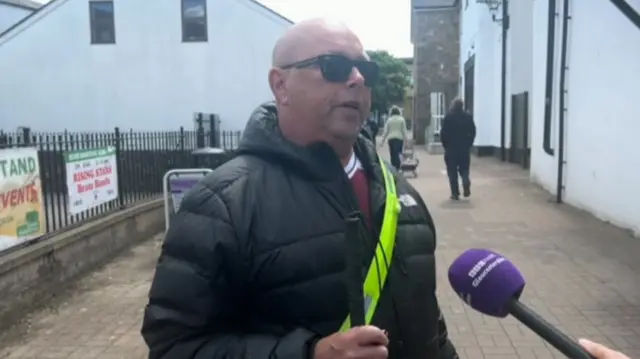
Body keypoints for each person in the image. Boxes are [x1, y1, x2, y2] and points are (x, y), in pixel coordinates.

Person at [141, 18, 458, 359]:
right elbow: (173, 346)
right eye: (334, 66)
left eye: (365, 69)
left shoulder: (400, 191)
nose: (357, 79)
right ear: (280, 85)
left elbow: (428, 322)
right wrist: (308, 354)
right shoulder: (220, 206)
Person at [440, 98, 476, 200]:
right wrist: (469, 143)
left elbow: (443, 133)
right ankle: (465, 180)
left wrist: (445, 145)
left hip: (451, 149)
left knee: (452, 171)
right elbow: (473, 131)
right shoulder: (468, 117)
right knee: (464, 168)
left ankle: (455, 193)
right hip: (464, 148)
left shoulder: (448, 118)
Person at [379, 106, 408, 170]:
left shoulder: (389, 120)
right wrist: (406, 141)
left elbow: (386, 131)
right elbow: (404, 131)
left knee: (392, 154)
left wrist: (382, 141)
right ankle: (398, 166)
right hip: (399, 139)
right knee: (398, 153)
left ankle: (393, 166)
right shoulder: (402, 119)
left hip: (391, 139)